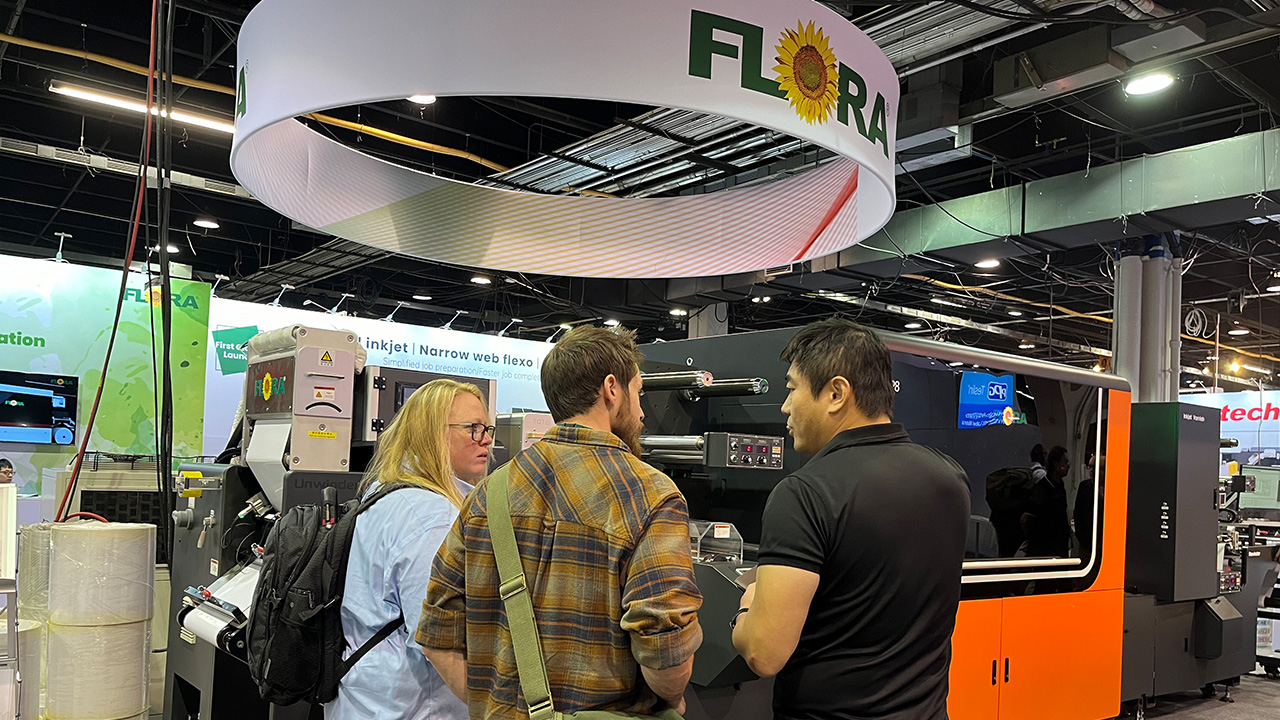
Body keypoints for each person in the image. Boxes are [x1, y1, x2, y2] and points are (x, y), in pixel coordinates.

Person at [419, 326, 702, 718]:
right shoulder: (651, 494)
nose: (641, 412)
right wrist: (673, 695)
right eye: (638, 392)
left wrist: (498, 705)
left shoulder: (490, 493)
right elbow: (664, 650)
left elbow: (437, 633)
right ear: (611, 389)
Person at [731, 318, 971, 720]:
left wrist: (747, 608)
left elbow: (764, 652)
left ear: (836, 394)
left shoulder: (805, 493)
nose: (785, 406)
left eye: (792, 388)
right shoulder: (950, 477)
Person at [325, 379, 493, 720]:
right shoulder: (433, 517)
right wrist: (493, 710)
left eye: (487, 428)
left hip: (365, 701)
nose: (486, 439)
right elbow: (437, 641)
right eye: (473, 428)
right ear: (432, 434)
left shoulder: (383, 493)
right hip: (414, 707)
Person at [1023, 446, 1071, 558]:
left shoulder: (1060, 486)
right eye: (1065, 462)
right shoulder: (1041, 488)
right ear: (1055, 463)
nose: (1068, 466)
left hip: (1060, 546)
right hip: (1043, 548)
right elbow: (1027, 518)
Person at [1074, 454, 1104, 561]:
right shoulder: (1084, 487)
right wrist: (1082, 538)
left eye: (1095, 468)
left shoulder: (1113, 488)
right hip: (1087, 541)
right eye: (1090, 467)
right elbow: (1078, 514)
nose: (1091, 471)